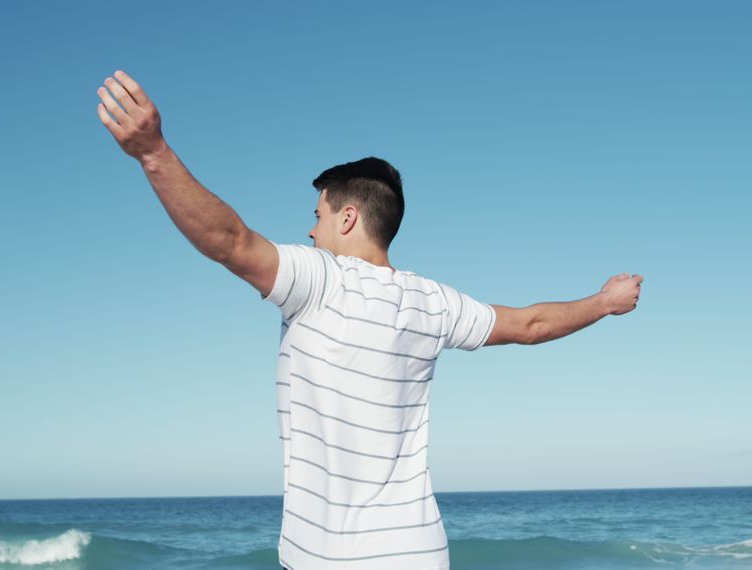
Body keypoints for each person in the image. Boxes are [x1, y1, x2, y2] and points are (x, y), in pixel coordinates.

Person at [96, 70, 642, 570]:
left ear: (348, 216)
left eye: (317, 216)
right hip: (417, 552)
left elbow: (230, 241)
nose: (311, 232)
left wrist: (153, 152)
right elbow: (530, 326)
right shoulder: (433, 301)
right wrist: (603, 302)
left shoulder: (320, 279)